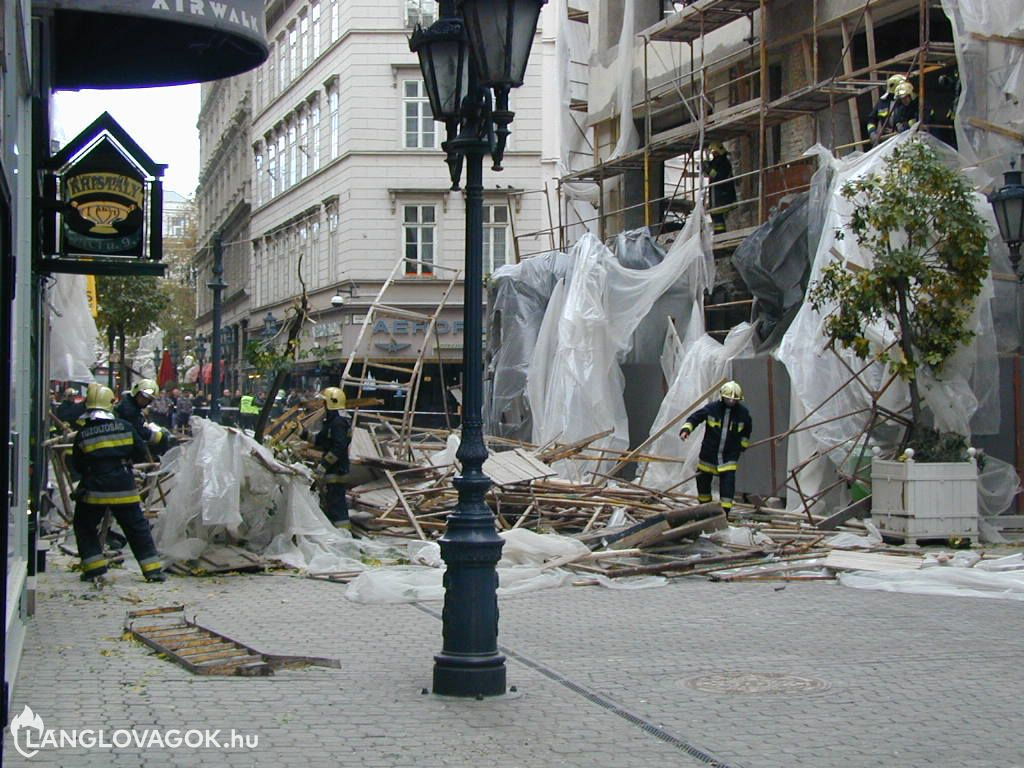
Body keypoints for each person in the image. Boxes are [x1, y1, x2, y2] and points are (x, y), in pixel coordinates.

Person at [70, 384, 165, 583]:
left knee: (84, 525)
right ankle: (152, 570)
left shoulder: (83, 434)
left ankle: (94, 568)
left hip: (95, 490)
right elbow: (140, 452)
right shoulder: (125, 427)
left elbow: (77, 465)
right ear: (111, 403)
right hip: (124, 487)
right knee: (137, 527)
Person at [678, 380, 753, 515]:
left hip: (729, 456)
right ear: (722, 397)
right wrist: (686, 430)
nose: (731, 402)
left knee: (728, 484)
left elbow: (747, 431)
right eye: (728, 399)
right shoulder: (712, 409)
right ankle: (705, 509)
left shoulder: (743, 414)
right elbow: (695, 418)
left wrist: (743, 445)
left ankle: (724, 513)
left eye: (734, 400)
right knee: (702, 480)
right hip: (709, 454)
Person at [306, 387, 352, 528]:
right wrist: (302, 432)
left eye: (325, 402)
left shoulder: (338, 423)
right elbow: (320, 440)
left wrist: (323, 465)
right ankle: (338, 529)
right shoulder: (332, 421)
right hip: (334, 469)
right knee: (333, 502)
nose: (323, 405)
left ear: (332, 403)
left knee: (337, 503)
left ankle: (343, 533)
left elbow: (338, 448)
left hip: (337, 470)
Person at [114, 378, 170, 453]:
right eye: (143, 397)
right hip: (124, 446)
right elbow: (140, 432)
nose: (145, 401)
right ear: (136, 392)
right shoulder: (130, 409)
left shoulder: (131, 404)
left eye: (148, 399)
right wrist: (161, 436)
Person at [704, 142, 737, 234]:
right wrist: (705, 166)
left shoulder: (723, 163)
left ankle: (720, 234)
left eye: (715, 152)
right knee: (715, 216)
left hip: (722, 196)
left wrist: (707, 169)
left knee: (718, 216)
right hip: (717, 196)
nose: (713, 154)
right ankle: (719, 233)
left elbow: (719, 176)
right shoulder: (717, 161)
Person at [866, 74, 906, 145]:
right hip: (887, 141)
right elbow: (871, 120)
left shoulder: (906, 101)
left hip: (904, 139)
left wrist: (903, 128)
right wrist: (872, 132)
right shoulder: (882, 102)